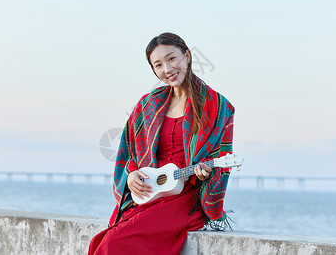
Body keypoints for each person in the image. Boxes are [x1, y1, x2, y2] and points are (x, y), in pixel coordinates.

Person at [88, 32, 235, 255]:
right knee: (102, 241)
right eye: (158, 65)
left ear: (187, 56)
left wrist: (206, 173)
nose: (167, 69)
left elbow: (220, 160)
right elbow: (128, 152)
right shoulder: (148, 103)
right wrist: (130, 175)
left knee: (114, 243)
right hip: (149, 189)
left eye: (172, 58)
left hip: (184, 194)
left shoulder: (217, 105)